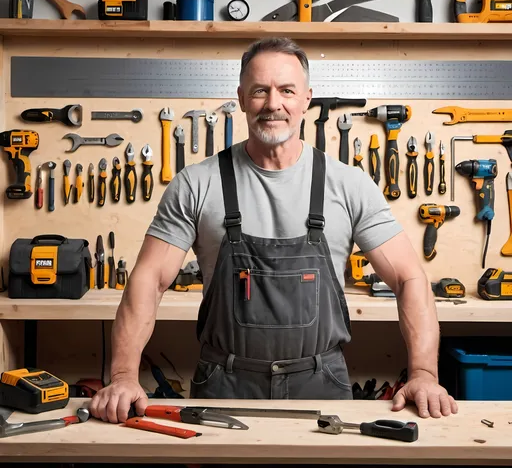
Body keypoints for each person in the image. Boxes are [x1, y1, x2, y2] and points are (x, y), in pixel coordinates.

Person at [90, 37, 458, 423]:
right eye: (260, 91)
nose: (273, 104)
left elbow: (409, 277)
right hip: (224, 384)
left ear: (307, 99)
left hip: (320, 385)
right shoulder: (197, 183)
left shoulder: (348, 185)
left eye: (286, 91)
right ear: (241, 97)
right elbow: (149, 279)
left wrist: (423, 375)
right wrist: (122, 376)